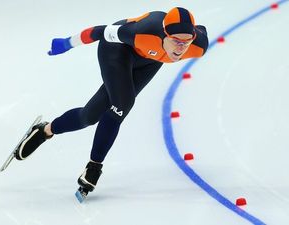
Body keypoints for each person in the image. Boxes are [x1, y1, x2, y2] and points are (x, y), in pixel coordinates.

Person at [15, 7, 209, 194]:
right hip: (117, 51)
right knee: (122, 104)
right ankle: (94, 166)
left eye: (186, 41)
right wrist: (67, 43)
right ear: (164, 34)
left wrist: (190, 38)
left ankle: (45, 130)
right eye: (176, 41)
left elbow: (202, 31)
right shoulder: (140, 32)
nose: (181, 48)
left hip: (150, 61)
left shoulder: (198, 46)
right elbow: (99, 32)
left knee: (89, 116)